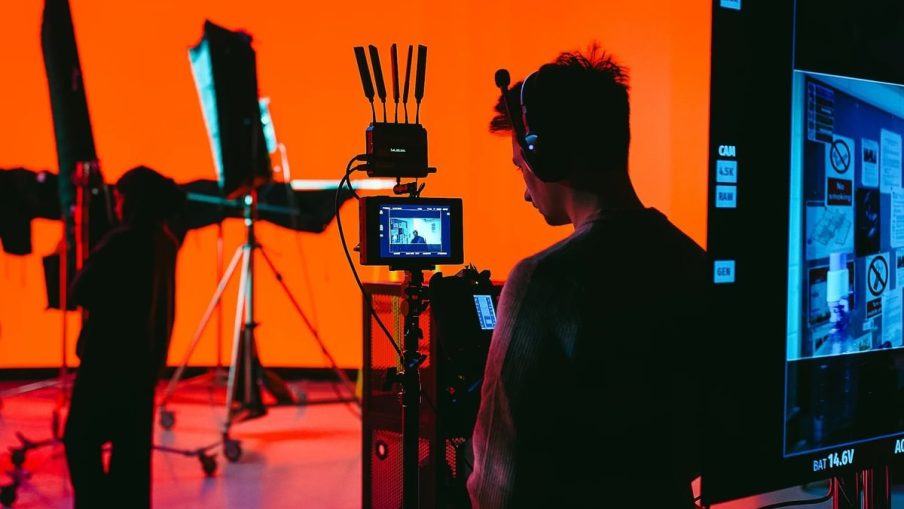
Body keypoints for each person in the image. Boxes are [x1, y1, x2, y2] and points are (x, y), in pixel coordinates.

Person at [467, 45, 708, 508]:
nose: (524, 191)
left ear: (547, 158)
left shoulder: (540, 283)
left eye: (521, 167)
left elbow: (499, 488)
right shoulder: (691, 260)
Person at [63, 166, 185, 509]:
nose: (115, 204)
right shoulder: (166, 241)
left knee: (80, 441)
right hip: (142, 364)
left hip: (106, 361)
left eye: (119, 197)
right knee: (130, 457)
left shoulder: (123, 241)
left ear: (131, 200)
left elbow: (78, 292)